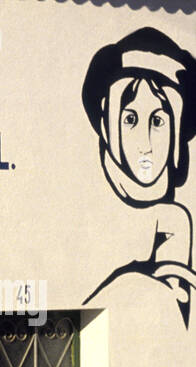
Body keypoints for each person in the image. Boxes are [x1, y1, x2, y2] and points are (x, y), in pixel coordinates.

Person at [82, 27, 196, 327]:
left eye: (158, 121)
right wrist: (130, 282)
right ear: (107, 123)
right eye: (130, 118)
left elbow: (174, 323)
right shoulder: (86, 209)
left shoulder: (173, 221)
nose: (145, 144)